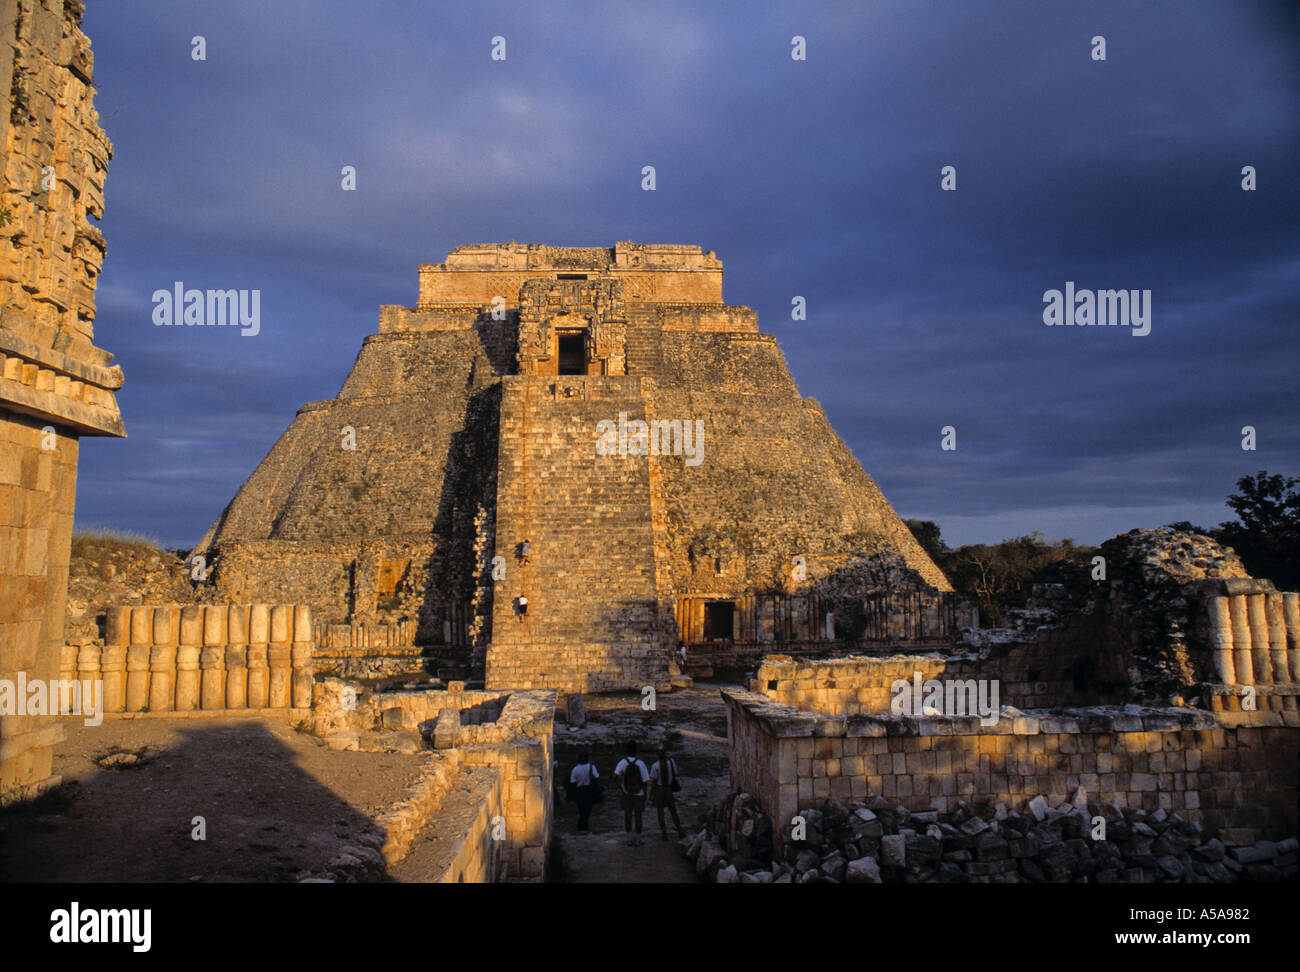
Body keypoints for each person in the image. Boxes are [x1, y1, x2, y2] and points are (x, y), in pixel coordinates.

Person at [613, 741, 650, 844]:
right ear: (636, 751)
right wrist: (645, 794)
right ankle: (638, 839)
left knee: (627, 815)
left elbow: (614, 777)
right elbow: (645, 781)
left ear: (627, 750)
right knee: (638, 816)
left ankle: (629, 839)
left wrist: (621, 787)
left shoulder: (623, 762)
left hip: (627, 793)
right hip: (639, 793)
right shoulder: (641, 763)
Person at [649, 747, 685, 839]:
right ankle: (680, 831)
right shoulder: (671, 762)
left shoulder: (655, 766)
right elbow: (675, 773)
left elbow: (654, 782)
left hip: (660, 789)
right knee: (673, 811)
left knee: (660, 813)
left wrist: (651, 795)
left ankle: (664, 833)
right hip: (668, 789)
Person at [568, 752, 600, 832]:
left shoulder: (575, 769)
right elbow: (596, 777)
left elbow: (572, 782)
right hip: (589, 790)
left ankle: (582, 826)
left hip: (579, 791)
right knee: (587, 809)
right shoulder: (591, 767)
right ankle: (583, 826)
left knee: (581, 810)